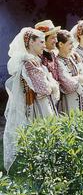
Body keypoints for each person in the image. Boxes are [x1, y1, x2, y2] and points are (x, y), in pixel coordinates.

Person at [3, 28, 59, 172]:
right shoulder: (29, 63)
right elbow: (43, 89)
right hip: (39, 106)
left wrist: (49, 84)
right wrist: (52, 85)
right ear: (30, 43)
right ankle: (43, 169)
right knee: (44, 134)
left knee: (48, 135)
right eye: (41, 42)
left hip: (44, 102)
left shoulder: (35, 61)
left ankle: (48, 167)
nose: (44, 45)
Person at [55, 30, 83, 115]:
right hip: (70, 99)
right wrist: (79, 78)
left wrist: (81, 78)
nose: (72, 46)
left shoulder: (72, 58)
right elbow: (68, 84)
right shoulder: (57, 62)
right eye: (70, 44)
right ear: (60, 44)